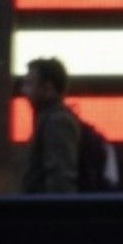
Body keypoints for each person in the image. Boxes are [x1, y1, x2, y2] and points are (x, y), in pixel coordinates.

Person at [21, 57, 85, 196]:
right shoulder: (51, 119)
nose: (24, 91)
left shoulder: (57, 122)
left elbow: (60, 176)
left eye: (30, 84)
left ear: (48, 88)